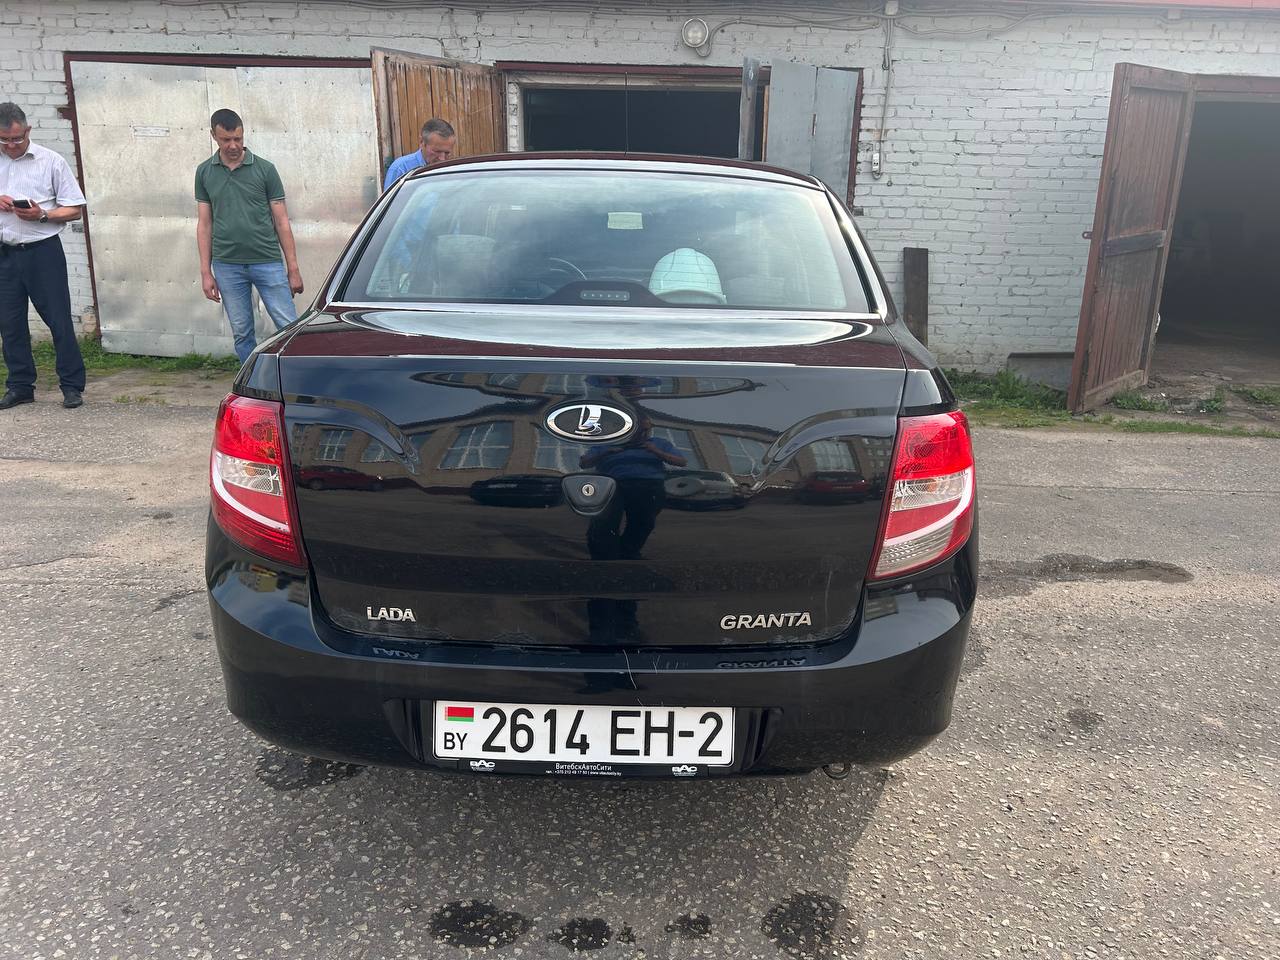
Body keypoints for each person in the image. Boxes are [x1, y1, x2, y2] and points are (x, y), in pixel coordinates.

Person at [196, 108, 303, 365]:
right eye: (226, 140)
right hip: (227, 264)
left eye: (238, 138)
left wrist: (293, 268)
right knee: (242, 332)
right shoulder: (204, 172)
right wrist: (206, 272)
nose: (233, 145)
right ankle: (252, 380)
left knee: (289, 327)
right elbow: (204, 224)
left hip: (267, 260)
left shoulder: (265, 170)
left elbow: (282, 221)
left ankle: (296, 376)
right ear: (213, 136)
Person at [0, 102, 88, 410]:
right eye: (4, 140)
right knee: (9, 324)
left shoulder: (51, 161)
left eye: (17, 138)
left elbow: (74, 209)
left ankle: (72, 386)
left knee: (58, 320)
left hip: (42, 251)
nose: (12, 145)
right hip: (4, 253)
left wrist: (42, 214)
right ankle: (20, 385)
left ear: (28, 130)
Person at [383, 118, 456, 190]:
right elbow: (392, 197)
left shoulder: (455, 170)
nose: (442, 159)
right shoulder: (401, 169)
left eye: (447, 153)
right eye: (437, 151)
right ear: (422, 142)